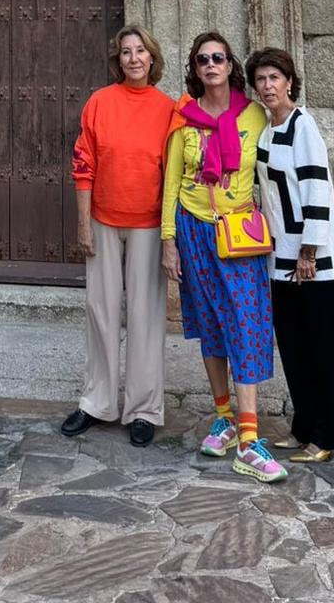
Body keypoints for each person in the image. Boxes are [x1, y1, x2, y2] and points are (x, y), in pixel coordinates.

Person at [160, 30, 284, 483]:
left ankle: (250, 441)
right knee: (211, 322)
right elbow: (171, 181)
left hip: (239, 233)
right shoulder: (183, 119)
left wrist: (323, 193)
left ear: (231, 67)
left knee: (246, 323)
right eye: (202, 60)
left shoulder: (255, 116)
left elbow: (276, 166)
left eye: (219, 58)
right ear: (194, 69)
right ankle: (224, 418)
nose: (211, 65)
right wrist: (168, 240)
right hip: (193, 229)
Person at [61, 24, 176, 446]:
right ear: (118, 59)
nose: (133, 58)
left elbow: (173, 174)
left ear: (152, 58)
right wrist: (83, 222)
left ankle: (144, 409)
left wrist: (170, 235)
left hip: (148, 223)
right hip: (104, 221)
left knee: (146, 316)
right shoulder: (99, 103)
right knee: (101, 311)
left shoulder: (168, 109)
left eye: (140, 51)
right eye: (126, 51)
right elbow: (83, 163)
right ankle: (97, 402)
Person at [248, 46, 334, 463]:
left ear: (289, 82)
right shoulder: (268, 131)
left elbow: (313, 186)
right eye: (261, 79)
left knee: (323, 348)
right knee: (294, 346)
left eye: (275, 77)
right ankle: (304, 426)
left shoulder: (302, 124)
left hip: (315, 261)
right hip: (281, 257)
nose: (268, 86)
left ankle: (327, 437)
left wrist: (309, 249)